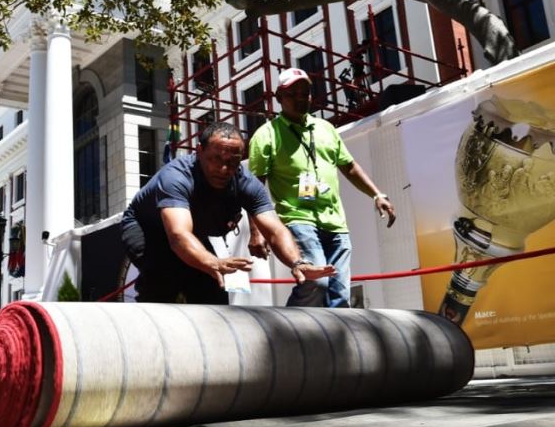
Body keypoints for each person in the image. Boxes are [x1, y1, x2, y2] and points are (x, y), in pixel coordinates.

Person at [121, 121, 335, 304]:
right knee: (165, 275)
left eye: (232, 161)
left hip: (194, 233)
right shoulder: (176, 177)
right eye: (216, 158)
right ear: (199, 151)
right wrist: (213, 262)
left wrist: (298, 262)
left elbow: (275, 230)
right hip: (148, 228)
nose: (224, 169)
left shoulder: (246, 182)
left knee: (214, 288)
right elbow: (178, 236)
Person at [248, 68, 396, 308]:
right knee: (316, 283)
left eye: (305, 93)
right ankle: (289, 325)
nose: (300, 98)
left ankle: (332, 344)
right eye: (292, 93)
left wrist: (377, 194)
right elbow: (254, 188)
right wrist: (256, 232)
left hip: (336, 223)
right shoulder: (266, 135)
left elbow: (349, 166)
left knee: (340, 296)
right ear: (278, 97)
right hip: (298, 220)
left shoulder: (325, 128)